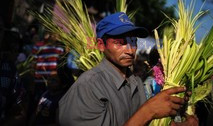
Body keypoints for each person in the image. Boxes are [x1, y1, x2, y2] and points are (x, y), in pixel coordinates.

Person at [59, 12, 198, 126]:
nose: (130, 50)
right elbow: (144, 115)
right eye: (120, 43)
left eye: (133, 42)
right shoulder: (88, 86)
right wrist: (148, 111)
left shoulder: (135, 82)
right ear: (101, 45)